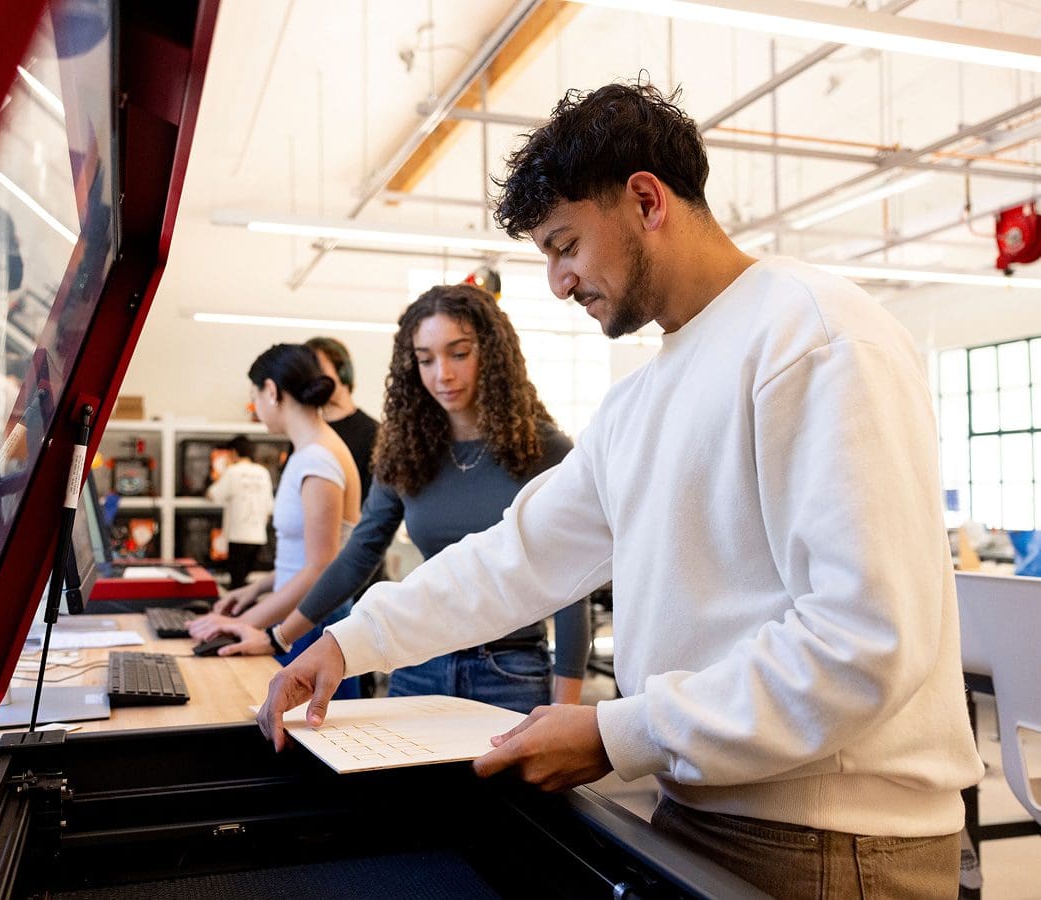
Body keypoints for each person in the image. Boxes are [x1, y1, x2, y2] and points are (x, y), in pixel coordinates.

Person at [256, 82, 983, 898]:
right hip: (699, 803)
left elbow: (861, 642)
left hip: (829, 840)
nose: (560, 282)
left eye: (566, 245)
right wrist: (353, 641)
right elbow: (518, 556)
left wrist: (614, 730)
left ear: (645, 199)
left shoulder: (813, 336)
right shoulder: (641, 397)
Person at [204, 285, 590, 714]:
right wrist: (279, 636)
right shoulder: (405, 449)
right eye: (426, 359)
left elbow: (572, 585)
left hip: (507, 670)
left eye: (458, 354)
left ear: (493, 354)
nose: (441, 373)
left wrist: (565, 709)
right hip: (418, 661)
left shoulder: (547, 450)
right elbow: (358, 554)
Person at [189, 344, 361, 696]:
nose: (255, 408)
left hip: (313, 623)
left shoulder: (318, 460)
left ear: (272, 390)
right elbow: (306, 557)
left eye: (255, 397)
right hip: (302, 616)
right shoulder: (311, 451)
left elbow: (320, 568)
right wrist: (256, 589)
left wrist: (240, 623)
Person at [305, 336, 379, 503]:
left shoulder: (372, 432)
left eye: (320, 370)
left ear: (342, 371)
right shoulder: (306, 431)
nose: (313, 379)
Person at [205, 436, 274, 588]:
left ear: (234, 452)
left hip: (238, 535)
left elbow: (212, 494)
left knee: (236, 581)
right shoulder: (263, 472)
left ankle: (236, 610)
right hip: (258, 535)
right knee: (245, 580)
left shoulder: (233, 471)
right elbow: (270, 507)